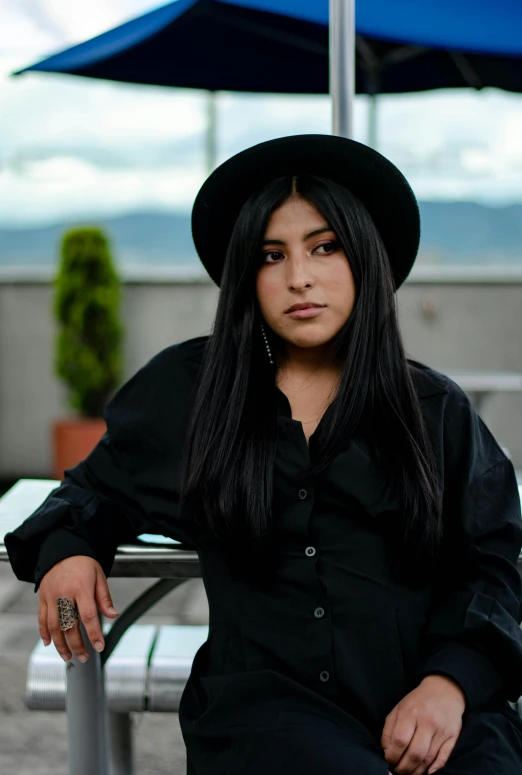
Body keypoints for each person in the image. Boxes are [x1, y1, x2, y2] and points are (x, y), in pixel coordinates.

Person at [5, 134, 522, 775]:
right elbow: (88, 493)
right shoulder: (193, 394)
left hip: (437, 709)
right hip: (269, 719)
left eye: (324, 246)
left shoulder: (435, 411)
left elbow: (496, 564)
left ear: (367, 257)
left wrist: (451, 684)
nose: (299, 277)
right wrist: (66, 555)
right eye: (270, 255)